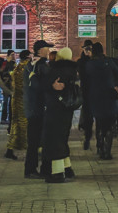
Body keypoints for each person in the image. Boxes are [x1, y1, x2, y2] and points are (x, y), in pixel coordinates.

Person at [42, 47, 80, 183]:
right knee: (62, 137)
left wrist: (49, 86)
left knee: (54, 139)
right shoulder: (73, 71)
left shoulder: (56, 70)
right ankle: (67, 168)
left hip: (55, 108)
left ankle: (57, 173)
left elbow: (45, 85)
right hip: (67, 109)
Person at [86, 42, 118, 160]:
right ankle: (107, 151)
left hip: (95, 96)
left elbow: (85, 79)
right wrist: (115, 85)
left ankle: (100, 147)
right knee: (110, 124)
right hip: (109, 95)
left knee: (99, 122)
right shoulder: (109, 62)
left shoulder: (90, 64)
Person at [23, 41, 53, 178]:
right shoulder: (40, 65)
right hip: (38, 108)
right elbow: (43, 86)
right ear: (41, 50)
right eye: (47, 48)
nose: (49, 50)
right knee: (36, 140)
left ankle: (31, 169)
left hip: (33, 107)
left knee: (34, 141)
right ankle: (31, 170)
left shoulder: (32, 65)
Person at [5, 49, 30, 160]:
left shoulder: (18, 67)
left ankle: (10, 148)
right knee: (23, 124)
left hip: (16, 100)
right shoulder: (24, 68)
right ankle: (25, 148)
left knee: (16, 124)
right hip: (22, 101)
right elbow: (23, 87)